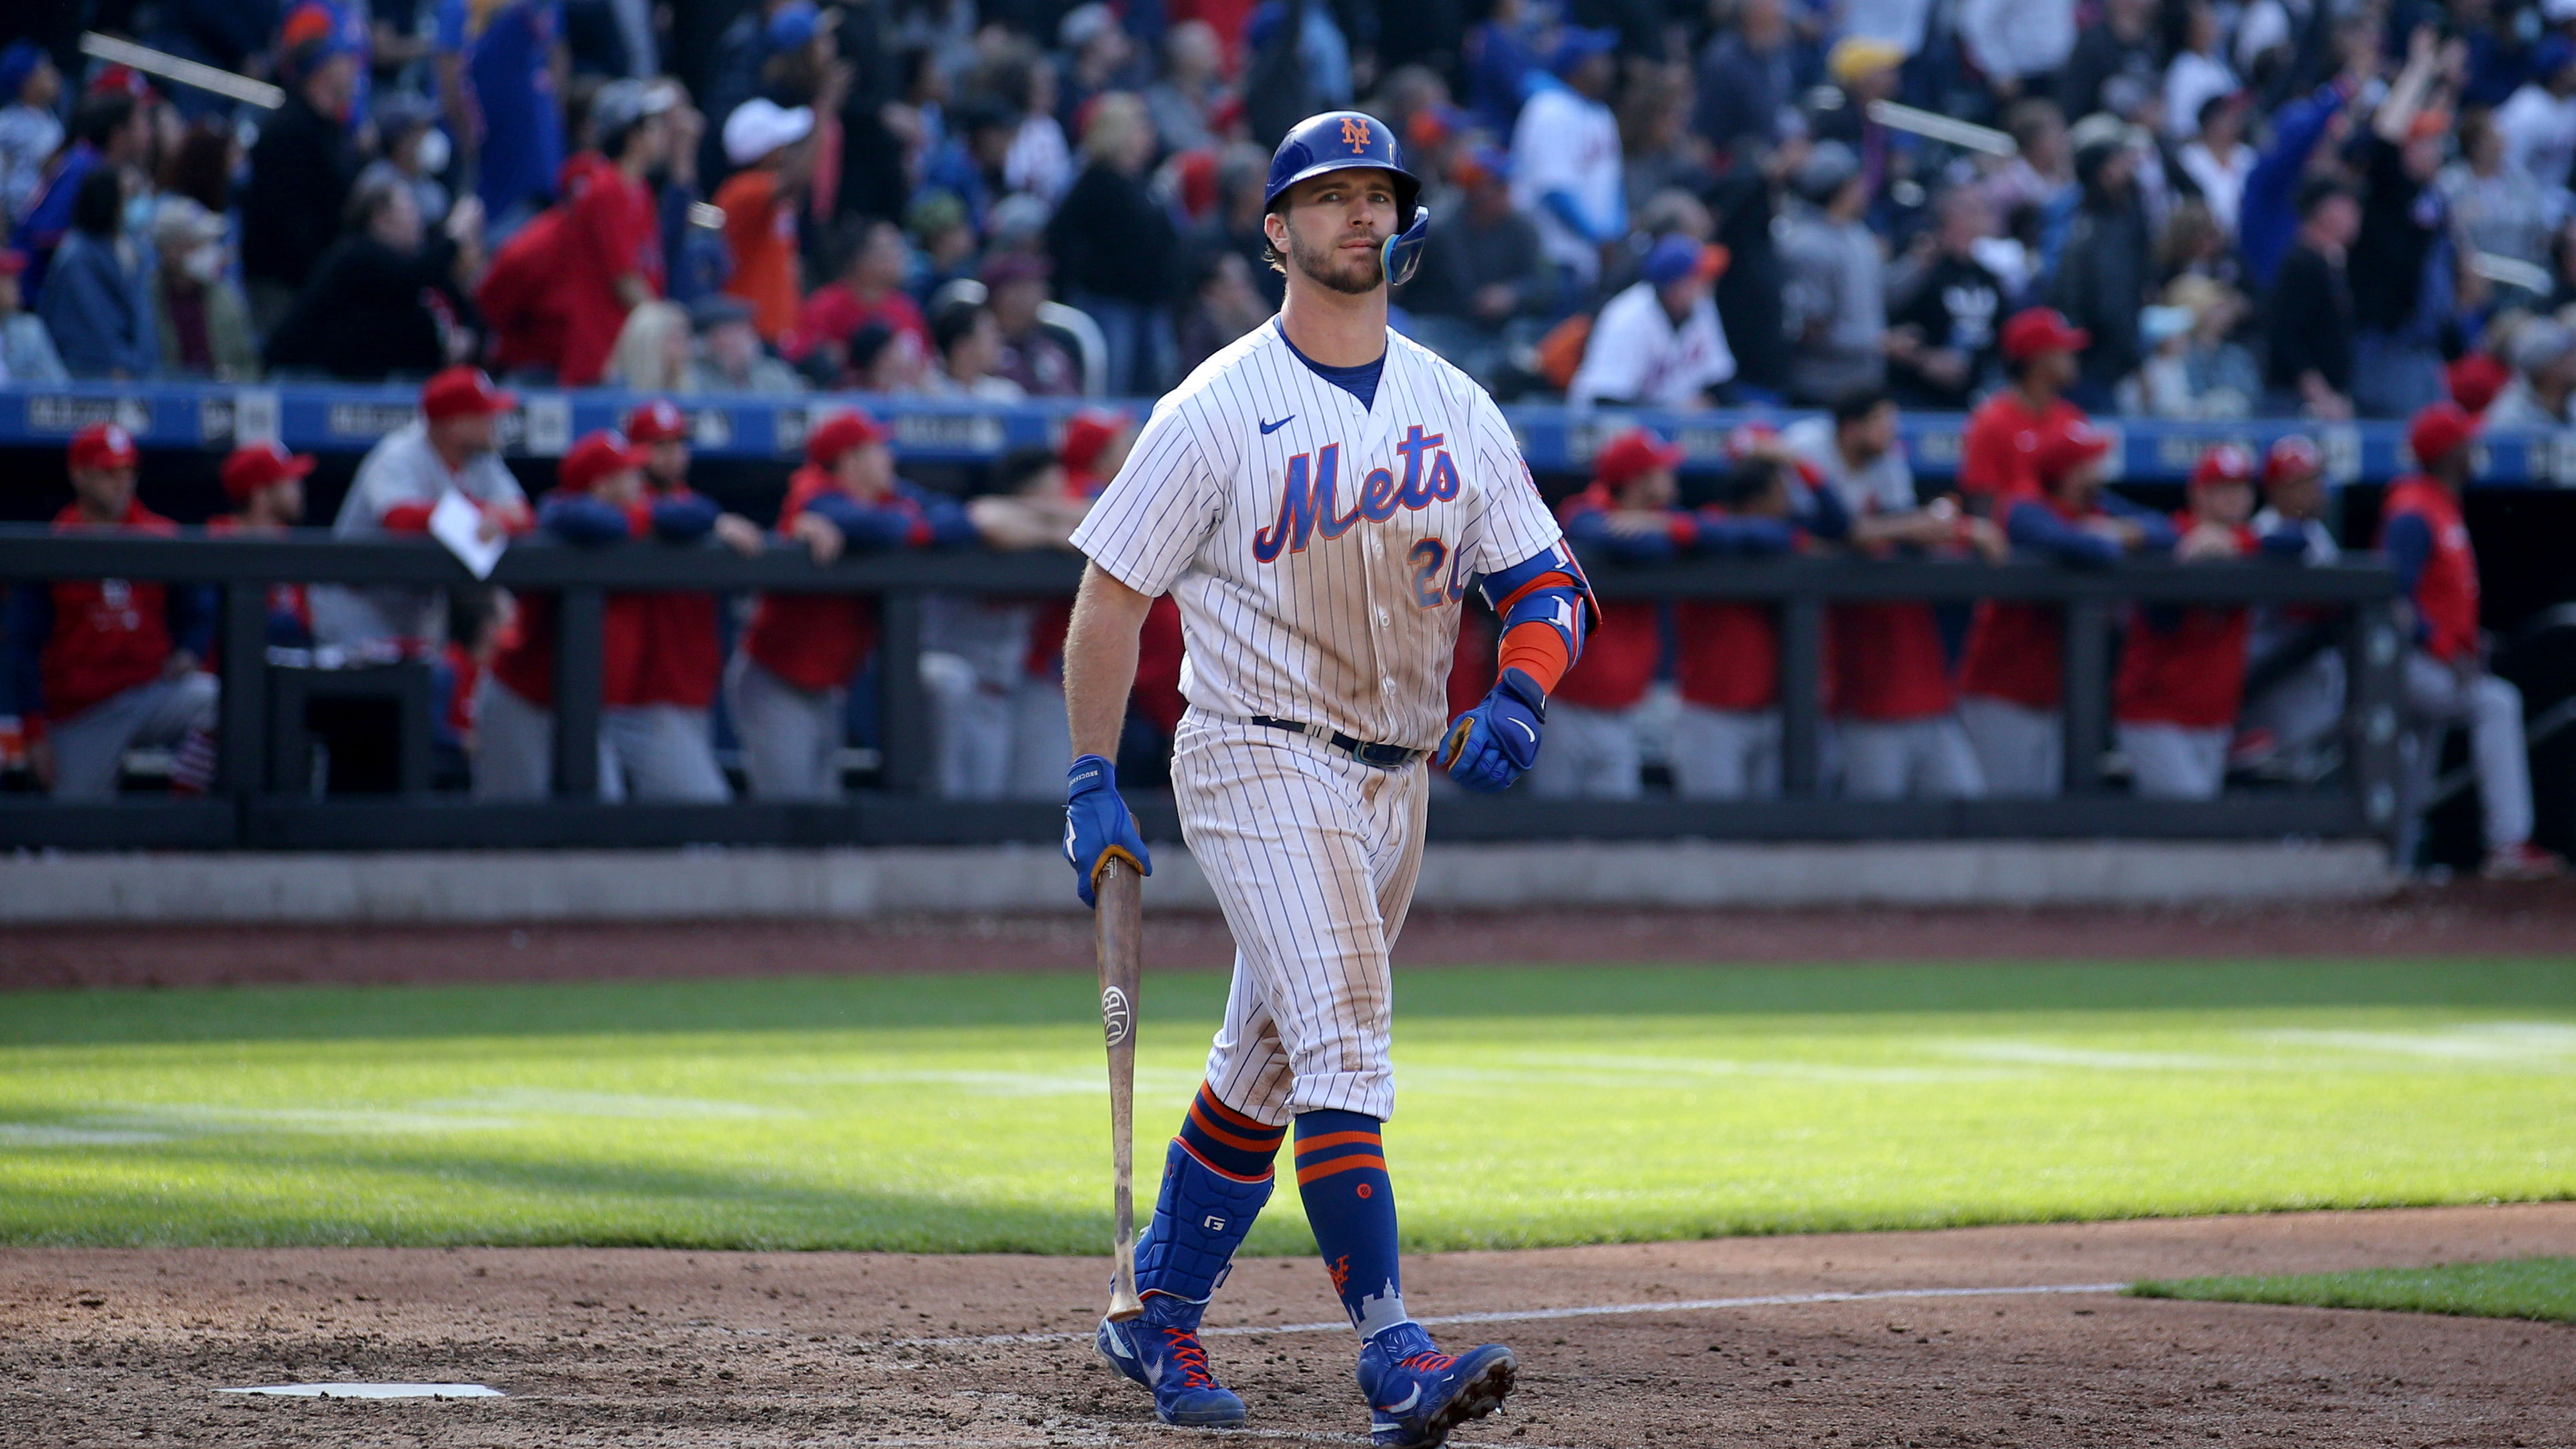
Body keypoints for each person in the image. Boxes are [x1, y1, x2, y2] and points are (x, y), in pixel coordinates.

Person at [1063, 111, 1549, 1444]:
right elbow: (1111, 597)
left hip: (1396, 774)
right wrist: (1092, 776)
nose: (1357, 213)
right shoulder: (1212, 407)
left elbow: (1542, 580)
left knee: (1268, 1061)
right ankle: (1393, 1353)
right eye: (1328, 196)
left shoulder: (1453, 403)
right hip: (1255, 747)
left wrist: (1519, 690)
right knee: (1343, 1032)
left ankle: (1156, 1308)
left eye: (1375, 193)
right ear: (1275, 231)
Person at [728, 409, 977, 800]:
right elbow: (876, 527)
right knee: (790, 812)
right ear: (850, 460)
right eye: (877, 449)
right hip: (777, 679)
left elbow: (957, 519)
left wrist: (908, 525)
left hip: (825, 686)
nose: (888, 457)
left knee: (823, 809)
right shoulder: (812, 494)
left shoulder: (885, 496)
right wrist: (911, 526)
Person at [1786, 392, 2004, 799]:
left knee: (1968, 805)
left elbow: (1900, 523)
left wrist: (1951, 527)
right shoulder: (1805, 450)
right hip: (1862, 703)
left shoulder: (1887, 463)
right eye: (1882, 423)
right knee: (1871, 820)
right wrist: (1912, 528)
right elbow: (1842, 532)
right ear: (1852, 428)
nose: (1892, 434)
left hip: (1928, 707)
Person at [2378, 403, 2565, 879]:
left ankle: (2395, 861)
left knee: (2416, 764)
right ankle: (2508, 842)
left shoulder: (2439, 502)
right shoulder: (2413, 511)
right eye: (2464, 442)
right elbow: (2391, 597)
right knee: (2496, 704)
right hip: (2407, 660)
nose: (2473, 448)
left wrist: (2464, 642)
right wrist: (2443, 648)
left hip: (2432, 659)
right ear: (2446, 453)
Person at [1957, 417, 2176, 796]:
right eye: (2090, 462)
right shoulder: (2024, 508)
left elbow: (2166, 530)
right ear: (2069, 473)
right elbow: (2085, 547)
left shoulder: (2098, 507)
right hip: (2000, 690)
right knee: (2003, 807)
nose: (2100, 469)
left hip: (2050, 691)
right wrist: (2104, 536)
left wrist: (2115, 531)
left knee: (2042, 808)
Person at [3, 425, 218, 800]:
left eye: (128, 471)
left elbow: (200, 609)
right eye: (108, 472)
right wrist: (34, 734)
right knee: (76, 827)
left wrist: (190, 651)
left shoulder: (160, 535)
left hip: (151, 693)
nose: (121, 482)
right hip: (84, 711)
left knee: (221, 699)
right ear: (79, 474)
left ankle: (182, 815)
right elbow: (21, 647)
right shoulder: (53, 544)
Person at [2112, 445, 2306, 799]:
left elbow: (2297, 540)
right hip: (2156, 716)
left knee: (2194, 823)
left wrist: (2233, 543)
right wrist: (2186, 550)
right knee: (2190, 816)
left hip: (2214, 721)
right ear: (2199, 494)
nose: (2236, 498)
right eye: (2223, 488)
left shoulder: (2248, 541)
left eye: (2241, 488)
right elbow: (2148, 538)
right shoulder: (2172, 534)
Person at [1668, 436, 1852, 799]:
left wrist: (1799, 463)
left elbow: (1839, 523)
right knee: (1715, 826)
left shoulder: (1783, 530)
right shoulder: (1709, 526)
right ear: (1754, 503)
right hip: (1712, 715)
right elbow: (1725, 532)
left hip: (1773, 713)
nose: (1789, 505)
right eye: (1780, 496)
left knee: (1775, 828)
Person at [312, 367, 532, 652]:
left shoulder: (481, 459)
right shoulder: (398, 454)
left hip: (417, 607)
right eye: (485, 415)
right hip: (359, 602)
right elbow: (400, 519)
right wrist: (481, 513)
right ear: (456, 425)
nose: (494, 422)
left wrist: (499, 520)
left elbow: (523, 514)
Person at [614, 398, 764, 799]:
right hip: (644, 697)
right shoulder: (626, 500)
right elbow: (676, 515)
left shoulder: (688, 501)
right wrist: (715, 521)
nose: (671, 455)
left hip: (690, 690)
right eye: (658, 445)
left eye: (677, 444)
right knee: (707, 816)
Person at [1535, 427, 1686, 799]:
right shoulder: (1582, 512)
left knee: (1617, 825)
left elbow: (1711, 535)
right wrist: (1650, 531)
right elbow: (1593, 530)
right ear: (1637, 480)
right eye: (1661, 469)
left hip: (1625, 710)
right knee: (1552, 822)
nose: (1672, 475)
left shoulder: (1664, 519)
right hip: (1564, 706)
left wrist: (1663, 527)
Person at [266, 172, 479, 381]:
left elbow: (466, 309)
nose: (417, 218)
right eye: (409, 210)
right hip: (310, 379)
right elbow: (410, 278)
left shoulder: (412, 263)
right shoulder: (357, 256)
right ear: (380, 219)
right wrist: (455, 236)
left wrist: (466, 337)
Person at [1046, 93, 1178, 396]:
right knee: (1111, 389)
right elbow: (1061, 238)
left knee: (1155, 389)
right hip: (1110, 303)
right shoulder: (1094, 183)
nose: (1149, 135)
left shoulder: (1145, 183)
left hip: (1150, 303)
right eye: (1140, 127)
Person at [240, 31, 362, 334]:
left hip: (318, 283)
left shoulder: (331, 129)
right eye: (345, 61)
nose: (354, 69)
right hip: (284, 287)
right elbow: (289, 218)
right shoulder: (288, 130)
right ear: (322, 71)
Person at [1396, 148, 1547, 389]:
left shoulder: (1522, 229)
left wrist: (1512, 294)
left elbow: (1544, 284)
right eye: (1497, 187)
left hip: (1500, 331)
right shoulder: (1440, 227)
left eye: (1505, 187)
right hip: (1444, 326)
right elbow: (1405, 284)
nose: (1506, 194)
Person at [2238, 435, 2344, 770]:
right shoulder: (2264, 534)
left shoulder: (2315, 532)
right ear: (2277, 489)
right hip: (2277, 676)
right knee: (2288, 773)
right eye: (2304, 483)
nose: (2316, 490)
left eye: (2316, 480)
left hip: (2312, 677)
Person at [1509, 27, 1623, 295]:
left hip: (1591, 258)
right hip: (1552, 256)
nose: (1608, 66)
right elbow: (1554, 190)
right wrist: (1599, 238)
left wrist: (1616, 236)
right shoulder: (1549, 109)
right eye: (1598, 59)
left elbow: (1613, 187)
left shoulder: (1601, 114)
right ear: (1577, 67)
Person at [437, 0, 567, 226]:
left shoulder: (540, 10)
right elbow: (450, 83)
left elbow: (558, 55)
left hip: (537, 135)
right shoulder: (463, 9)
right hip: (498, 137)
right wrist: (468, 138)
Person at [1778, 142, 1888, 406]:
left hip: (1863, 384)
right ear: (1841, 190)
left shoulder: (1859, 234)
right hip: (1820, 389)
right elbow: (1811, 331)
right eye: (1857, 182)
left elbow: (1882, 295)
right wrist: (1877, 344)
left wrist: (1919, 263)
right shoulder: (1808, 244)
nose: (1864, 190)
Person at [1567, 234, 1734, 409]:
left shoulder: (1702, 309)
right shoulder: (1627, 317)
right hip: (1599, 421)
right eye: (1697, 277)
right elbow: (1607, 399)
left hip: (1665, 420)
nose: (1706, 284)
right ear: (1674, 286)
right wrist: (1673, 411)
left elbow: (1720, 381)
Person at [1884, 186, 2006, 412]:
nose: (1985, 215)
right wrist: (1924, 360)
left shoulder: (1988, 278)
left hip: (1972, 399)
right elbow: (1887, 332)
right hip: (1915, 399)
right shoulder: (1920, 272)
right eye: (1974, 209)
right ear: (1951, 216)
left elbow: (2001, 337)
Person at [1959, 307, 2089, 509]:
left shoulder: (2071, 416)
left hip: (2071, 520)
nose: (2072, 357)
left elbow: (2085, 495)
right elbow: (1981, 500)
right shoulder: (1992, 421)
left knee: (2140, 522)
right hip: (2017, 524)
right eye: (2064, 351)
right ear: (2040, 358)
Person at [716, 97, 816, 347]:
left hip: (773, 330)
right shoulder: (744, 190)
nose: (790, 152)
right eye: (784, 145)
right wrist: (827, 107)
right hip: (752, 331)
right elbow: (797, 180)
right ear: (768, 152)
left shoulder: (768, 195)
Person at [36, 167, 153, 379]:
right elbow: (92, 318)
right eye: (126, 195)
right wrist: (117, 363)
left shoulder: (134, 247)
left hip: (136, 367)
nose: (131, 203)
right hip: (93, 370)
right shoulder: (77, 256)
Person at [2262, 178, 2358, 420]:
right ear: (2324, 211)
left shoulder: (2333, 263)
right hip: (2296, 404)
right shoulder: (2302, 264)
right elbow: (2285, 335)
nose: (2356, 214)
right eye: (2346, 206)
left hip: (2327, 398)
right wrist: (2320, 395)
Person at [210, 442, 318, 649]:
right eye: (289, 480)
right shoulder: (216, 542)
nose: (300, 487)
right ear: (261, 493)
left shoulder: (292, 543)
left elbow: (303, 627)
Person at [150, 196, 256, 381]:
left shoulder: (225, 296)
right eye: (200, 243)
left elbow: (248, 365)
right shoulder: (146, 298)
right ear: (170, 250)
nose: (211, 251)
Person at [686, 293, 806, 394]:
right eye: (731, 332)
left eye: (745, 330)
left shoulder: (773, 372)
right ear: (709, 340)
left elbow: (798, 406)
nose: (742, 339)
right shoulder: (692, 376)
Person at [0, 42, 64, 227]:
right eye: (45, 70)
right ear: (27, 80)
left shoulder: (51, 120)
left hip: (42, 219)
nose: (54, 75)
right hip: (15, 220)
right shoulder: (7, 123)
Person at [921, 292, 1027, 401]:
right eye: (991, 334)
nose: (998, 342)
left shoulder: (1006, 395)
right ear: (963, 346)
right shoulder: (927, 395)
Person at [2484, 319, 2576, 429]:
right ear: (2549, 366)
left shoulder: (2569, 401)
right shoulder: (2511, 420)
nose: (2574, 359)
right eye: (2568, 355)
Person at [0, 247, 64, 383]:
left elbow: (58, 386)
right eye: (6, 278)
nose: (17, 286)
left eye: (15, 278)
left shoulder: (28, 330)